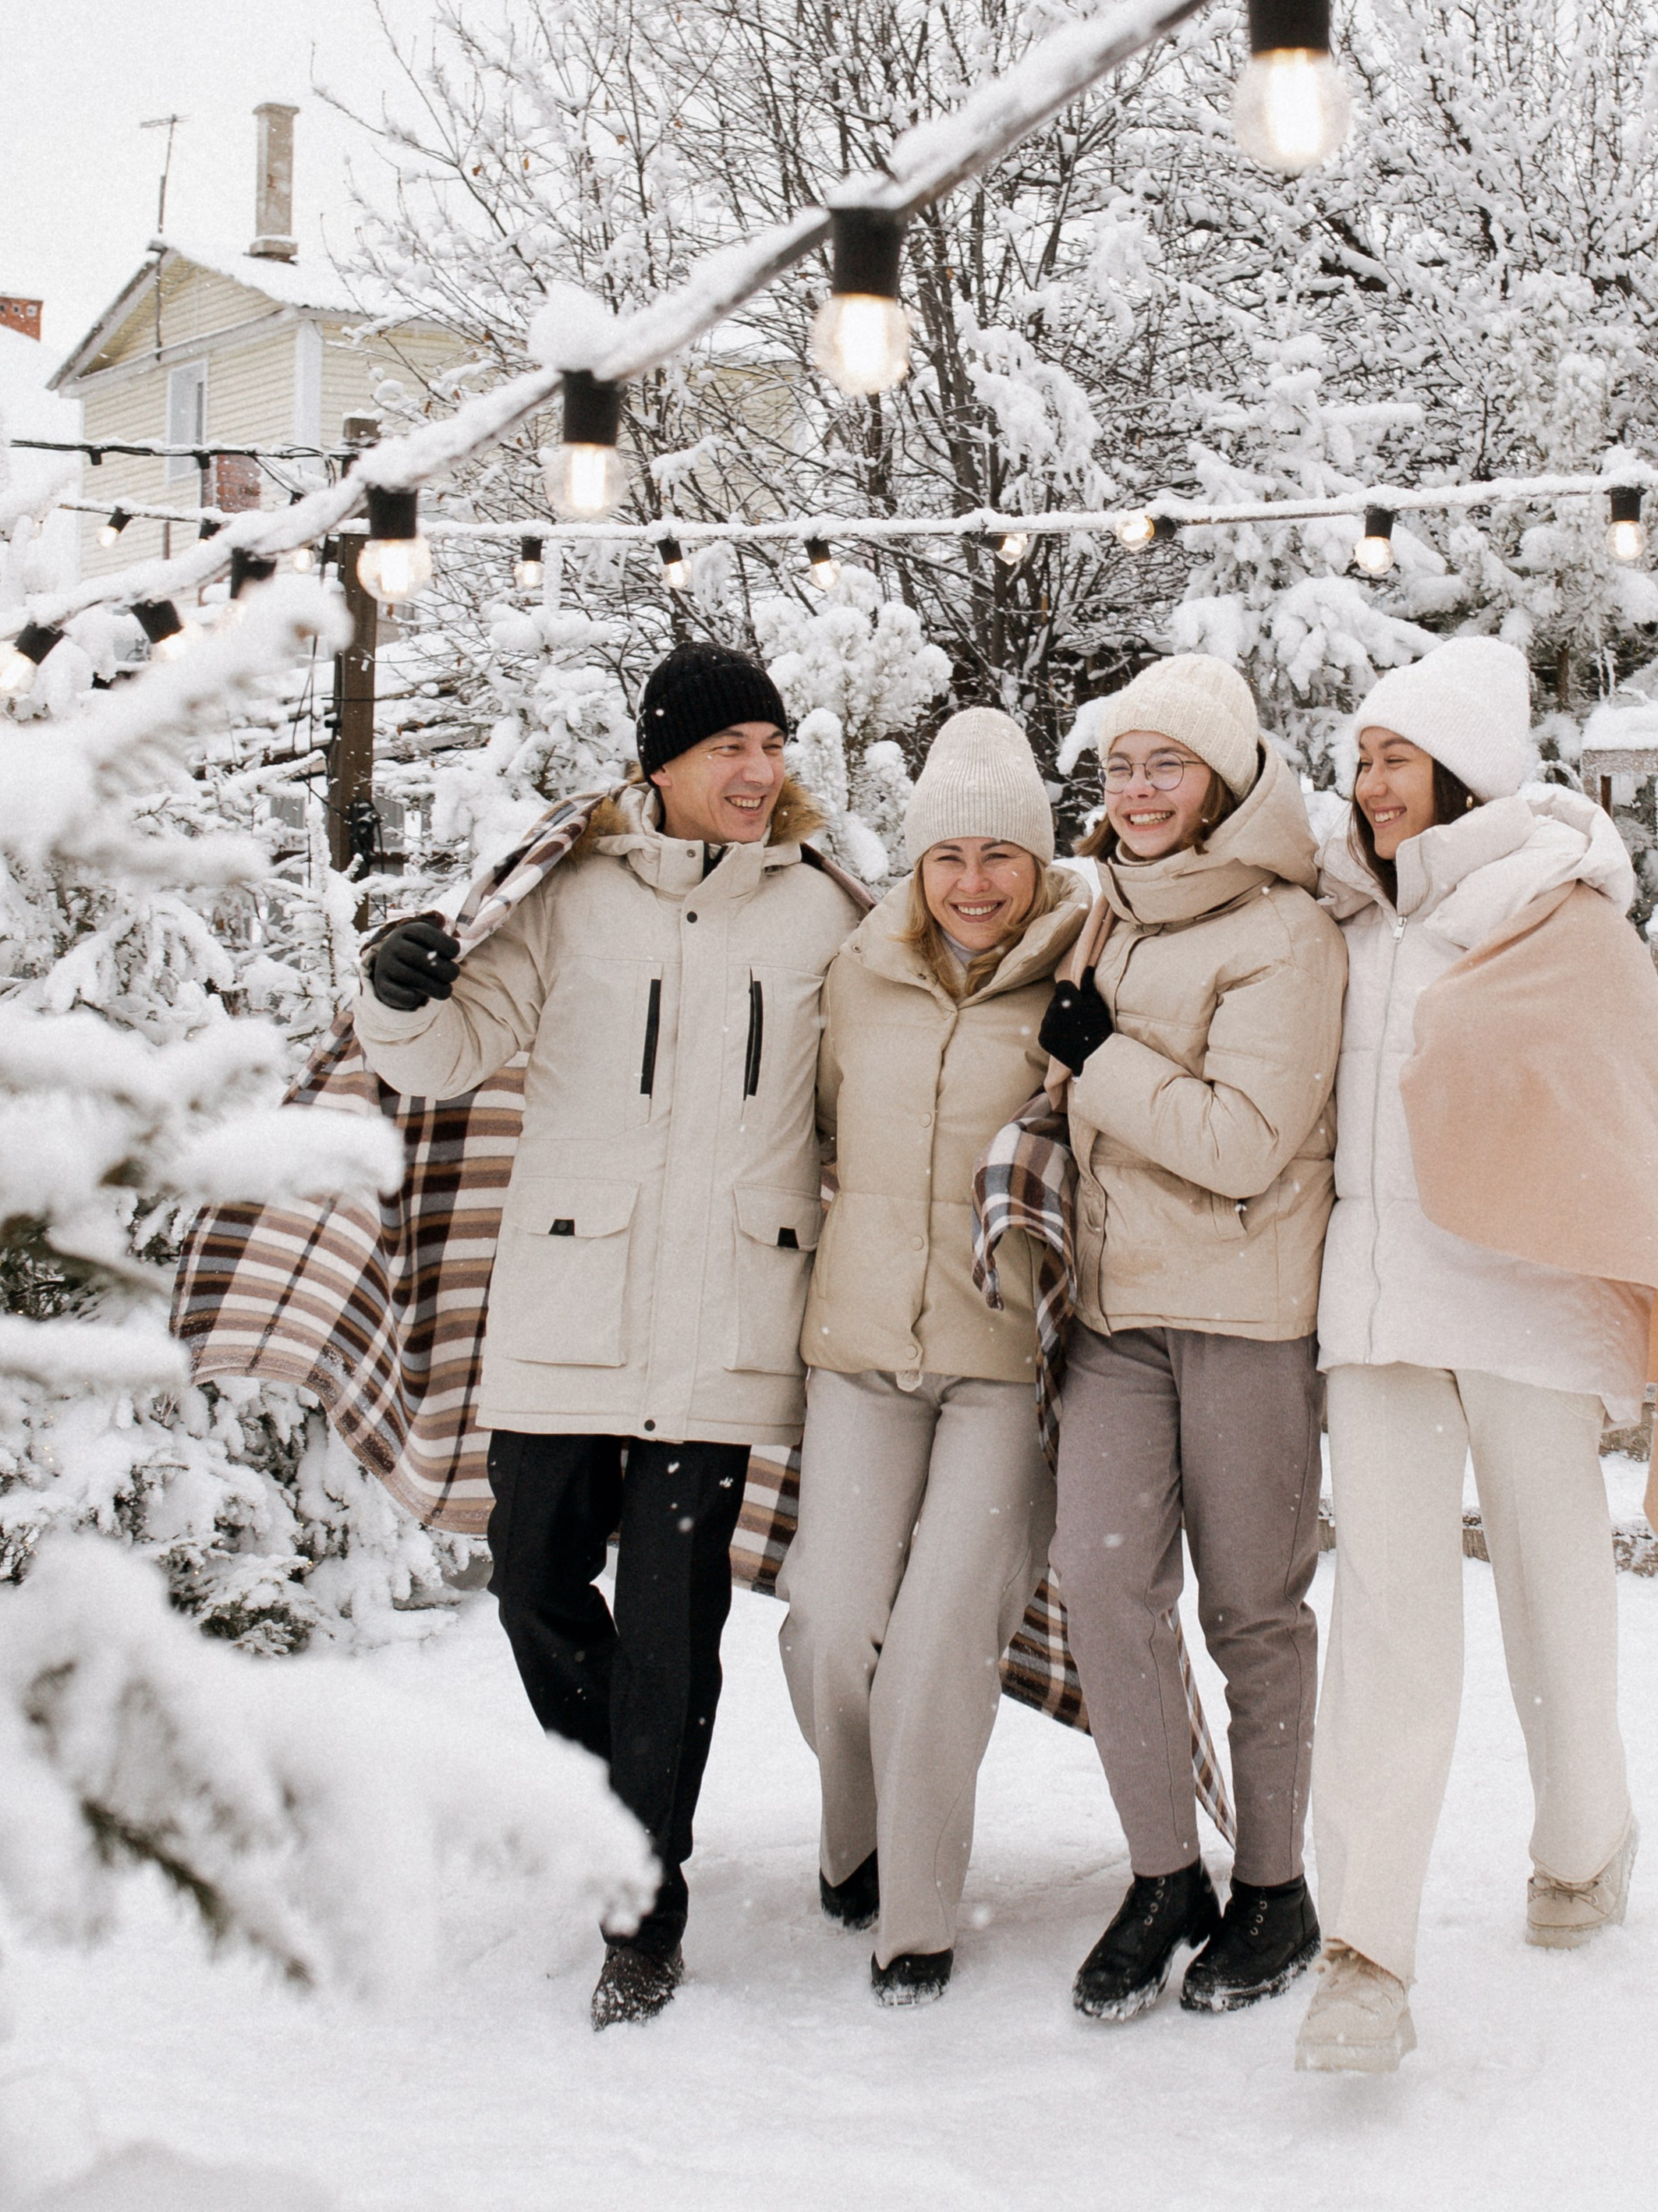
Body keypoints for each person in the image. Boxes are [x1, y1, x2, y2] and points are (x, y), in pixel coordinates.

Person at [354, 642, 863, 2028]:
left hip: (726, 1318)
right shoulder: (572, 902)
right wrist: (395, 992)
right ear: (662, 768)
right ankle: (616, 1804)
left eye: (771, 745)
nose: (759, 774)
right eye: (727, 750)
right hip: (569, 1306)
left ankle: (645, 1899)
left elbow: (869, 1090)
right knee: (530, 1588)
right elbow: (446, 1055)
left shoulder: (822, 918)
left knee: (668, 1632)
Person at [1293, 637, 1658, 2076]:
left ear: (1468, 770)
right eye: (1363, 759)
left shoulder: (1560, 919)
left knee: (1555, 1599)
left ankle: (1585, 1842)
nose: (1373, 787)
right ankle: (1363, 1950)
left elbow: (1641, 1113)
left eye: (1399, 757)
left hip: (1524, 1304)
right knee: (1388, 1618)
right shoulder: (1346, 920)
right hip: (1376, 1310)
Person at [1040, 654, 1347, 2022]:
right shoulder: (1101, 908)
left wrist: (1097, 1060)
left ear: (1224, 778)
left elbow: (1242, 1146)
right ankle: (1165, 1872)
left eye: (1169, 764)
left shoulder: (1286, 932)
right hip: (1113, 1317)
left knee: (1252, 1608)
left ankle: (1274, 1889)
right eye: (1121, 766)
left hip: (1241, 1316)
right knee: (1101, 1585)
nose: (1142, 791)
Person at [778, 708, 1086, 2006]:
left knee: (942, 1639)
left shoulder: (1090, 969)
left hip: (1005, 1366)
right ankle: (856, 1843)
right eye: (947, 854)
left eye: (1000, 856)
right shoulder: (856, 971)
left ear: (1039, 862)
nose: (972, 882)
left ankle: (915, 1913)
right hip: (858, 1351)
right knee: (829, 1627)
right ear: (914, 864)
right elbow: (820, 1126)